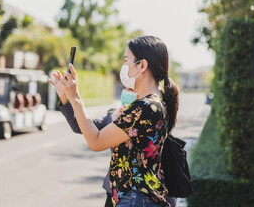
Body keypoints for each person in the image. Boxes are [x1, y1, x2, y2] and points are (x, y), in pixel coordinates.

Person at [49, 36, 179, 207]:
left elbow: (96, 142)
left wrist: (75, 97)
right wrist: (68, 98)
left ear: (142, 65)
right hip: (138, 198)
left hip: (133, 199)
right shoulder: (155, 103)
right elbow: (88, 127)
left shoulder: (144, 107)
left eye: (127, 61)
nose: (124, 67)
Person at [51, 79, 137, 207]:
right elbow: (79, 125)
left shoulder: (151, 116)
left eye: (131, 89)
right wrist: (65, 98)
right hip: (114, 191)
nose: (126, 92)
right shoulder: (112, 115)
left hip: (139, 195)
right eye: (126, 88)